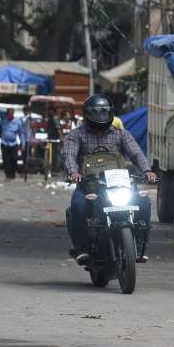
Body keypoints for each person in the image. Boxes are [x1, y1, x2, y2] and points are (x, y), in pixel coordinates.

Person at [63, 95, 156, 264]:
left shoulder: (121, 134)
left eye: (104, 112)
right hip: (88, 186)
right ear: (87, 114)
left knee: (143, 202)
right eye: (95, 112)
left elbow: (136, 153)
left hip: (118, 185)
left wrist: (147, 170)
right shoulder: (76, 135)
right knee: (77, 206)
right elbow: (69, 155)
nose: (100, 116)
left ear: (111, 113)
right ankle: (82, 248)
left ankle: (141, 246)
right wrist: (73, 172)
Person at [0, 108, 26, 180]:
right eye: (8, 114)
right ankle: (7, 174)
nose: (10, 116)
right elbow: (0, 111)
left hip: (13, 143)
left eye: (11, 114)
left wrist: (22, 144)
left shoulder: (17, 122)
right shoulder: (3, 120)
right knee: (6, 160)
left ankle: (12, 174)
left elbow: (21, 134)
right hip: (4, 143)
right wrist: (5, 112)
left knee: (14, 159)